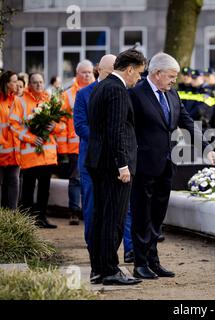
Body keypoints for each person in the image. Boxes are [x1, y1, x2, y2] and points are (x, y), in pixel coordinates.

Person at [128, 52, 215, 280]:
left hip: (165, 166)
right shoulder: (135, 94)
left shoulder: (172, 94)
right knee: (142, 216)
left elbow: (188, 122)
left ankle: (153, 261)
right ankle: (140, 263)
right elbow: (126, 129)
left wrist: (208, 149)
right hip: (141, 166)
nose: (174, 80)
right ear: (156, 73)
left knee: (158, 217)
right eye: (171, 76)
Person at [85, 49, 146, 286]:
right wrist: (122, 165)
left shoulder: (102, 86)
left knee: (101, 217)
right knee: (114, 219)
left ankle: (99, 269)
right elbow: (116, 131)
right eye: (139, 73)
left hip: (99, 162)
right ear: (129, 69)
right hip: (113, 166)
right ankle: (110, 269)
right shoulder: (117, 90)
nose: (139, 78)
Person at [73, 54, 135, 264]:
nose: (112, 75)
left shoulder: (124, 89)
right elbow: (81, 127)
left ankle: (129, 248)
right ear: (100, 70)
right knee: (93, 207)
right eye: (109, 71)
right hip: (94, 159)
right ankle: (95, 250)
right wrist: (104, 138)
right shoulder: (84, 94)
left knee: (123, 207)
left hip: (114, 159)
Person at [10, 73, 63, 228]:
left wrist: (54, 127)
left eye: (41, 82)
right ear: (29, 85)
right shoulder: (20, 101)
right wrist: (31, 138)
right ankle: (27, 221)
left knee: (44, 190)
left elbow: (64, 125)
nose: (39, 85)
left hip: (48, 155)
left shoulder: (51, 100)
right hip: (31, 155)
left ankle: (41, 218)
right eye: (35, 82)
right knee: (28, 189)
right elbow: (14, 125)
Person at [59, 60, 95, 225]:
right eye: (84, 72)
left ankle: (88, 212)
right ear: (77, 74)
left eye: (89, 72)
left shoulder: (99, 89)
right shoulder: (67, 95)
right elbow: (60, 122)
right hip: (74, 146)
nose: (87, 75)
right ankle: (74, 211)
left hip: (93, 145)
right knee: (75, 179)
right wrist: (63, 147)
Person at [0, 71, 21, 209]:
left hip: (15, 151)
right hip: (2, 151)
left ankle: (12, 217)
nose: (17, 84)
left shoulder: (17, 101)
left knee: (14, 182)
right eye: (14, 81)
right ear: (7, 83)